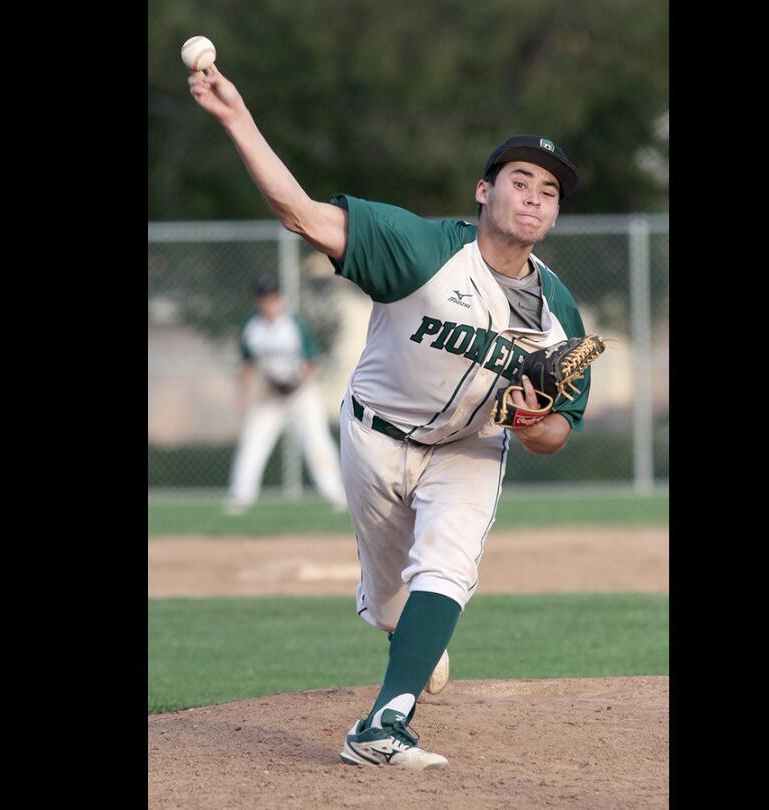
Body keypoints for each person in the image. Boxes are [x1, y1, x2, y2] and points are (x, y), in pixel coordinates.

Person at [188, 62, 593, 771]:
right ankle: (406, 634)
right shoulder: (421, 250)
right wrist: (234, 118)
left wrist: (534, 424)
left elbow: (559, 434)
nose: (532, 199)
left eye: (548, 191)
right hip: (374, 436)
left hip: (470, 449)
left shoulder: (560, 313)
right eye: (519, 181)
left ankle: (382, 723)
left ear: (555, 215)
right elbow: (301, 215)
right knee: (388, 603)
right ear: (484, 191)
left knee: (451, 564)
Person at [225, 275, 348, 515]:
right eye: (263, 298)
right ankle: (240, 497)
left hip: (301, 394)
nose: (267, 303)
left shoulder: (293, 324)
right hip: (269, 396)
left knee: (316, 443)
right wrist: (243, 395)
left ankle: (336, 495)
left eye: (271, 298)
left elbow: (313, 362)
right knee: (252, 444)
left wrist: (296, 385)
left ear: (279, 299)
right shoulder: (252, 328)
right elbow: (247, 366)